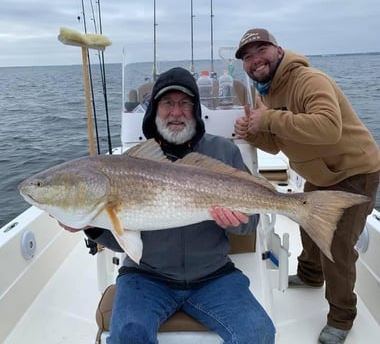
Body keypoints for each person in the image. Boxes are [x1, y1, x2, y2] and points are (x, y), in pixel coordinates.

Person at [61, 67, 275, 344]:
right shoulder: (129, 165)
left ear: (196, 110)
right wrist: (90, 227)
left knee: (258, 334)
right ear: (154, 110)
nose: (176, 112)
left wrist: (237, 221)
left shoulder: (225, 152)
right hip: (146, 277)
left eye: (185, 103)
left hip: (213, 276)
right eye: (167, 103)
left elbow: (251, 225)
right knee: (128, 336)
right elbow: (121, 240)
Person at [234, 28, 380, 344]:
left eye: (261, 50)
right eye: (247, 56)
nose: (255, 59)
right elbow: (275, 145)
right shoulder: (265, 91)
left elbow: (329, 128)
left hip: (354, 170)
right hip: (320, 172)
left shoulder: (309, 81)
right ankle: (311, 276)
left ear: (278, 50)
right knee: (307, 224)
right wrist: (251, 132)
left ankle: (341, 318)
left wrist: (269, 118)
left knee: (337, 244)